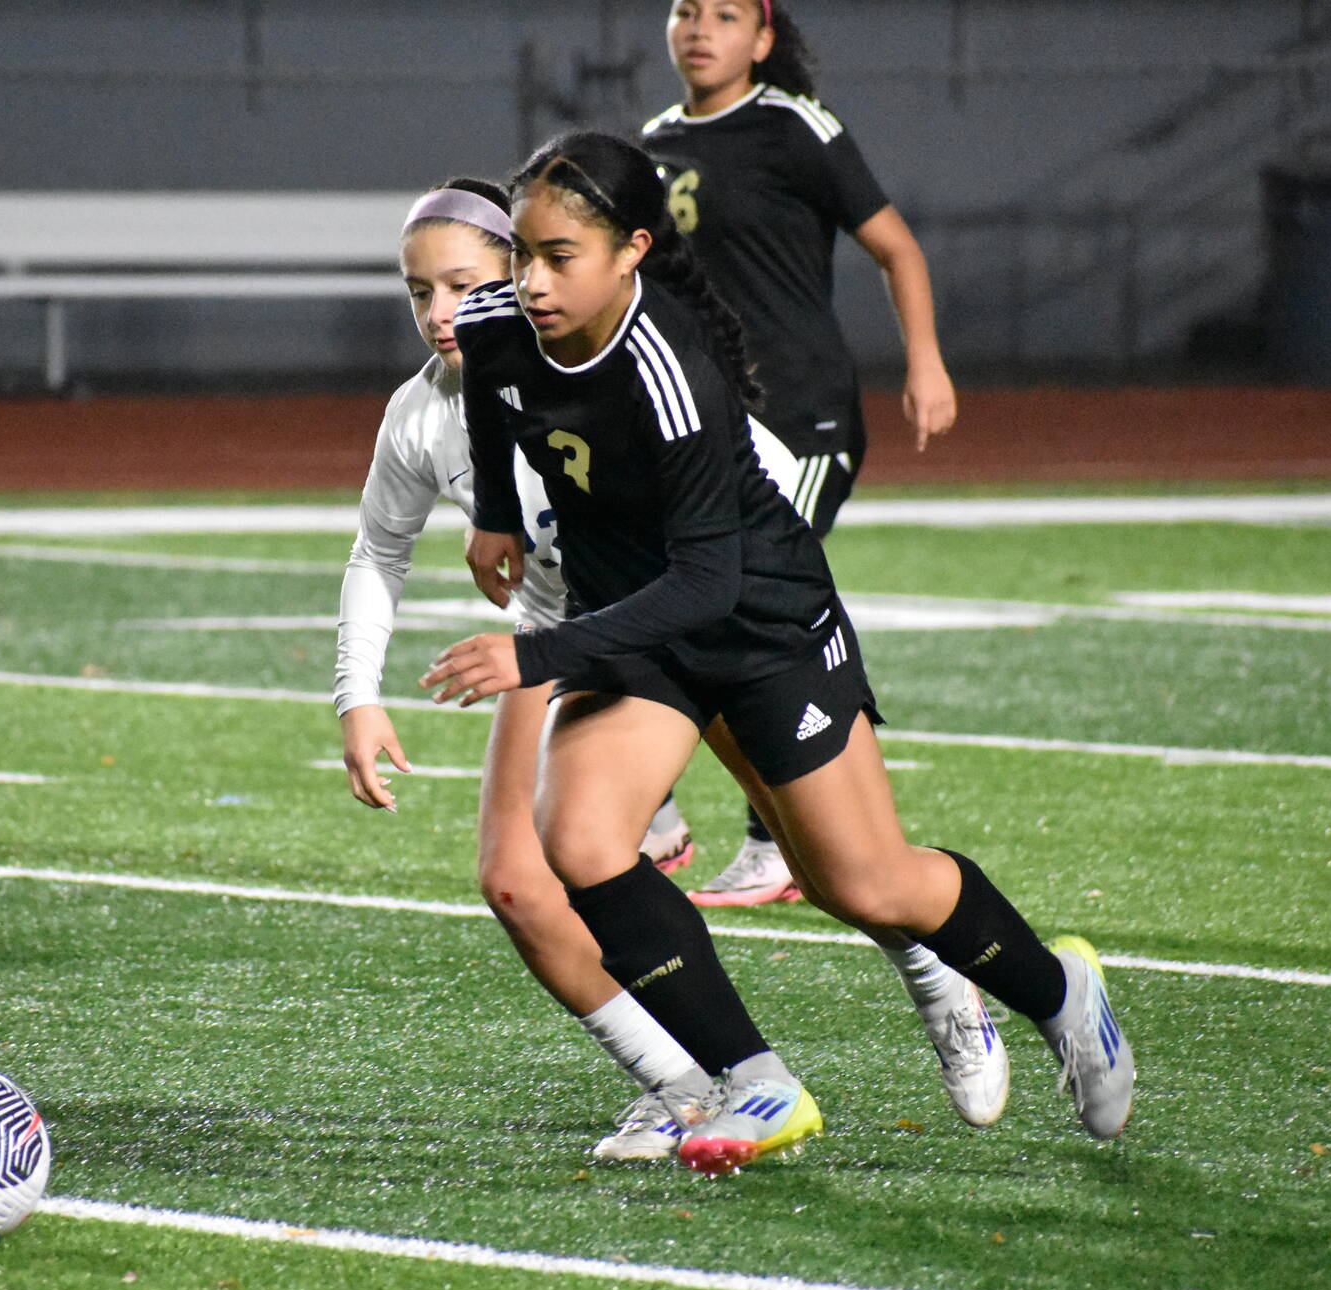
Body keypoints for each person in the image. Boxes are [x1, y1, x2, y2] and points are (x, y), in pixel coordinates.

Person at [422, 132, 1133, 1175]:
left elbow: (709, 584)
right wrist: (493, 515)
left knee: (867, 883)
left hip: (758, 624)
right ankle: (757, 1083)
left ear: (630, 250)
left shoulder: (670, 370)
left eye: (557, 257)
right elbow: (495, 397)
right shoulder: (497, 321)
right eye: (520, 253)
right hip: (641, 624)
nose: (527, 281)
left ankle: (1059, 994)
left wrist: (536, 658)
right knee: (575, 838)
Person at [336, 179, 993, 1160]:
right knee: (517, 880)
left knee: (828, 862)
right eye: (416, 290)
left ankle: (939, 975)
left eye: (462, 283)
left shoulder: (621, 356)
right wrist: (358, 696)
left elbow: (747, 476)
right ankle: (683, 1086)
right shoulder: (423, 413)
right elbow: (376, 550)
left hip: (698, 620)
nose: (439, 312)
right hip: (563, 630)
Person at [642, 0, 959, 909]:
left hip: (800, 416)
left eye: (726, 14)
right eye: (685, 10)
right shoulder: (653, 142)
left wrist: (925, 361)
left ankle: (764, 837)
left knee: (749, 593)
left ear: (763, 39)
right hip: (708, 421)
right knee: (674, 581)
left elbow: (896, 248)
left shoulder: (794, 127)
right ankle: (662, 806)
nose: (700, 28)